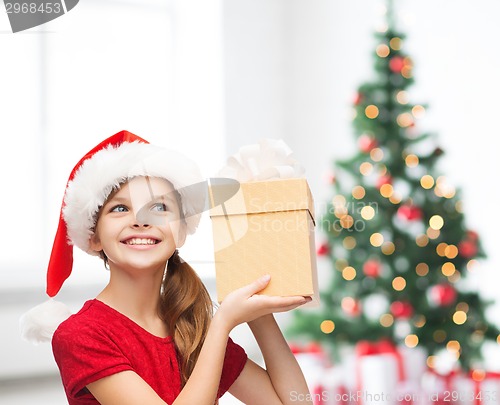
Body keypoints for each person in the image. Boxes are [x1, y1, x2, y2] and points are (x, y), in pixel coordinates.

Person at [21, 130, 313, 405]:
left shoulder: (191, 328)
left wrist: (258, 315)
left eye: (159, 207)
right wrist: (224, 323)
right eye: (120, 208)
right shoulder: (81, 335)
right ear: (94, 236)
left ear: (182, 232)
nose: (140, 219)